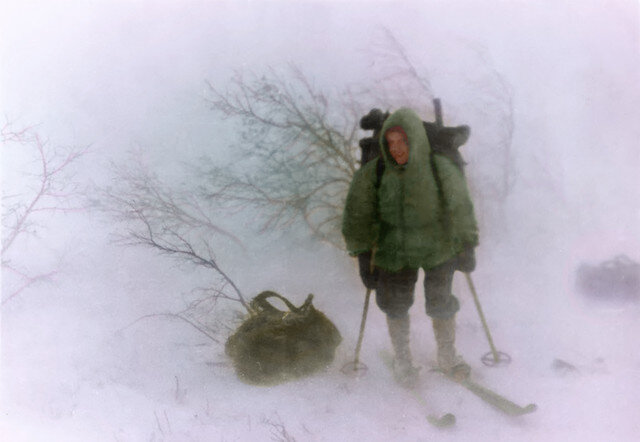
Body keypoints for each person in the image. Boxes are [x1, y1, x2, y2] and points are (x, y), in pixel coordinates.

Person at [342, 107, 479, 387]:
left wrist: (467, 244)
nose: (396, 149)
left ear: (415, 140)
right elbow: (358, 216)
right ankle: (403, 359)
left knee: (440, 301)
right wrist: (364, 254)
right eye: (390, 143)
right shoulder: (376, 173)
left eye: (402, 141)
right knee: (395, 304)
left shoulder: (438, 167)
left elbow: (460, 207)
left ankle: (448, 355)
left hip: (438, 244)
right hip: (395, 248)